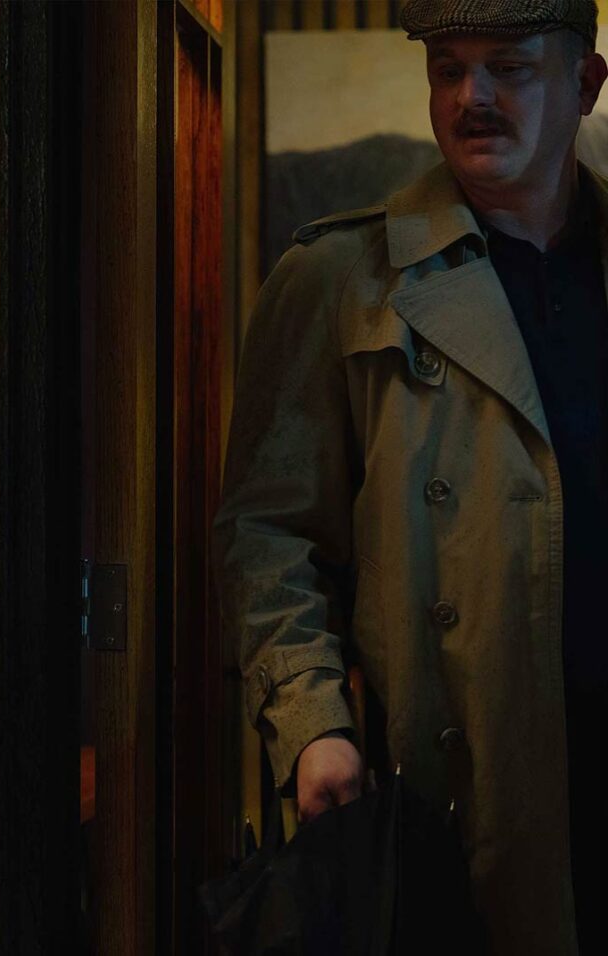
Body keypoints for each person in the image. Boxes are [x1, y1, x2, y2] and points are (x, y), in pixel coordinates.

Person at [211, 1, 608, 952]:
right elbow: (270, 533)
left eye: (509, 67)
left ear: (586, 84)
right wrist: (313, 721)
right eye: (448, 69)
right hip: (454, 808)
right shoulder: (342, 276)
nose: (473, 96)